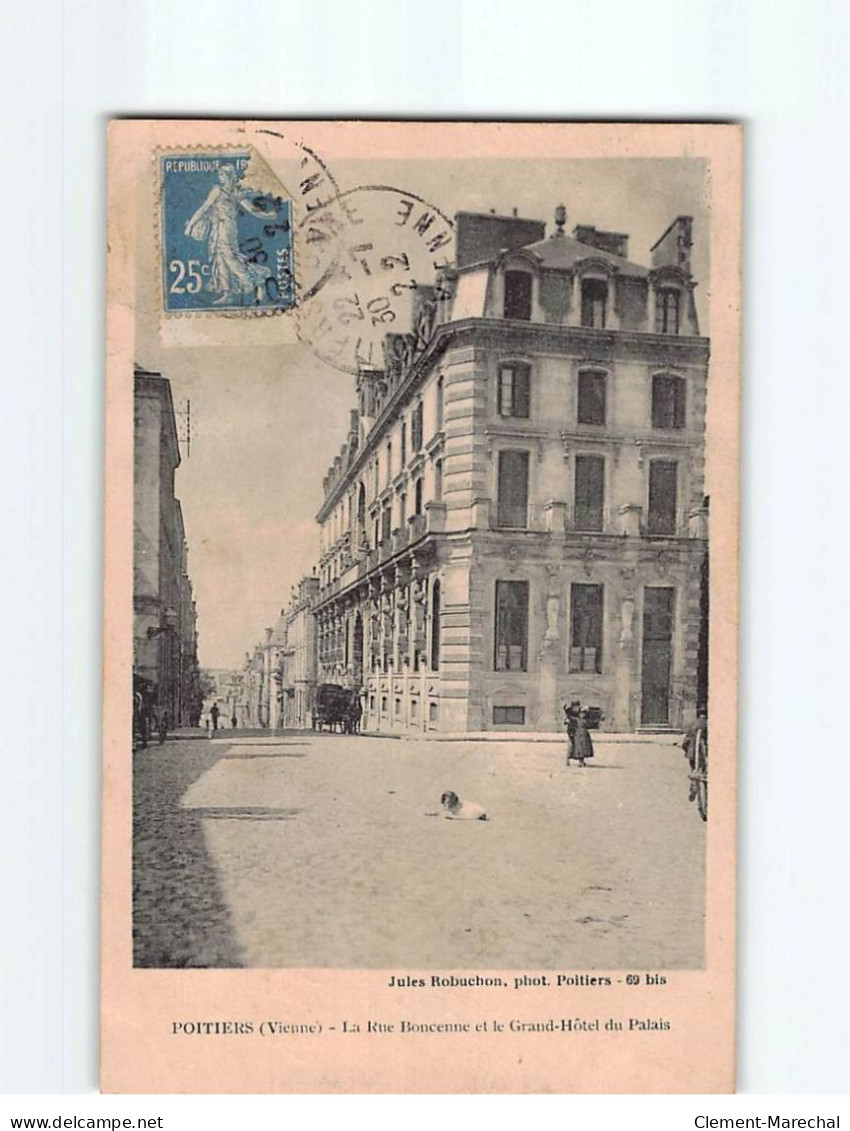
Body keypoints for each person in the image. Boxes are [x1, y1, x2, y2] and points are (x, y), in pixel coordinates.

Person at [184, 165, 277, 305]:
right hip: (217, 227)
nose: (221, 178)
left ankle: (258, 281)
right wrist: (191, 224)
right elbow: (204, 208)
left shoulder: (236, 193)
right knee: (219, 258)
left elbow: (252, 209)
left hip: (227, 228)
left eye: (223, 175)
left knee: (230, 257)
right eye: (220, 175)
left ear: (230, 176)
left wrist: (268, 216)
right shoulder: (217, 190)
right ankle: (227, 293)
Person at [564, 699, 581, 765]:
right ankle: (567, 760)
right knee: (571, 746)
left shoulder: (578, 712)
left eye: (577, 706)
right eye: (575, 706)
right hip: (571, 731)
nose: (577, 708)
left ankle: (580, 761)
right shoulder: (570, 713)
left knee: (579, 747)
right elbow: (566, 721)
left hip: (578, 731)